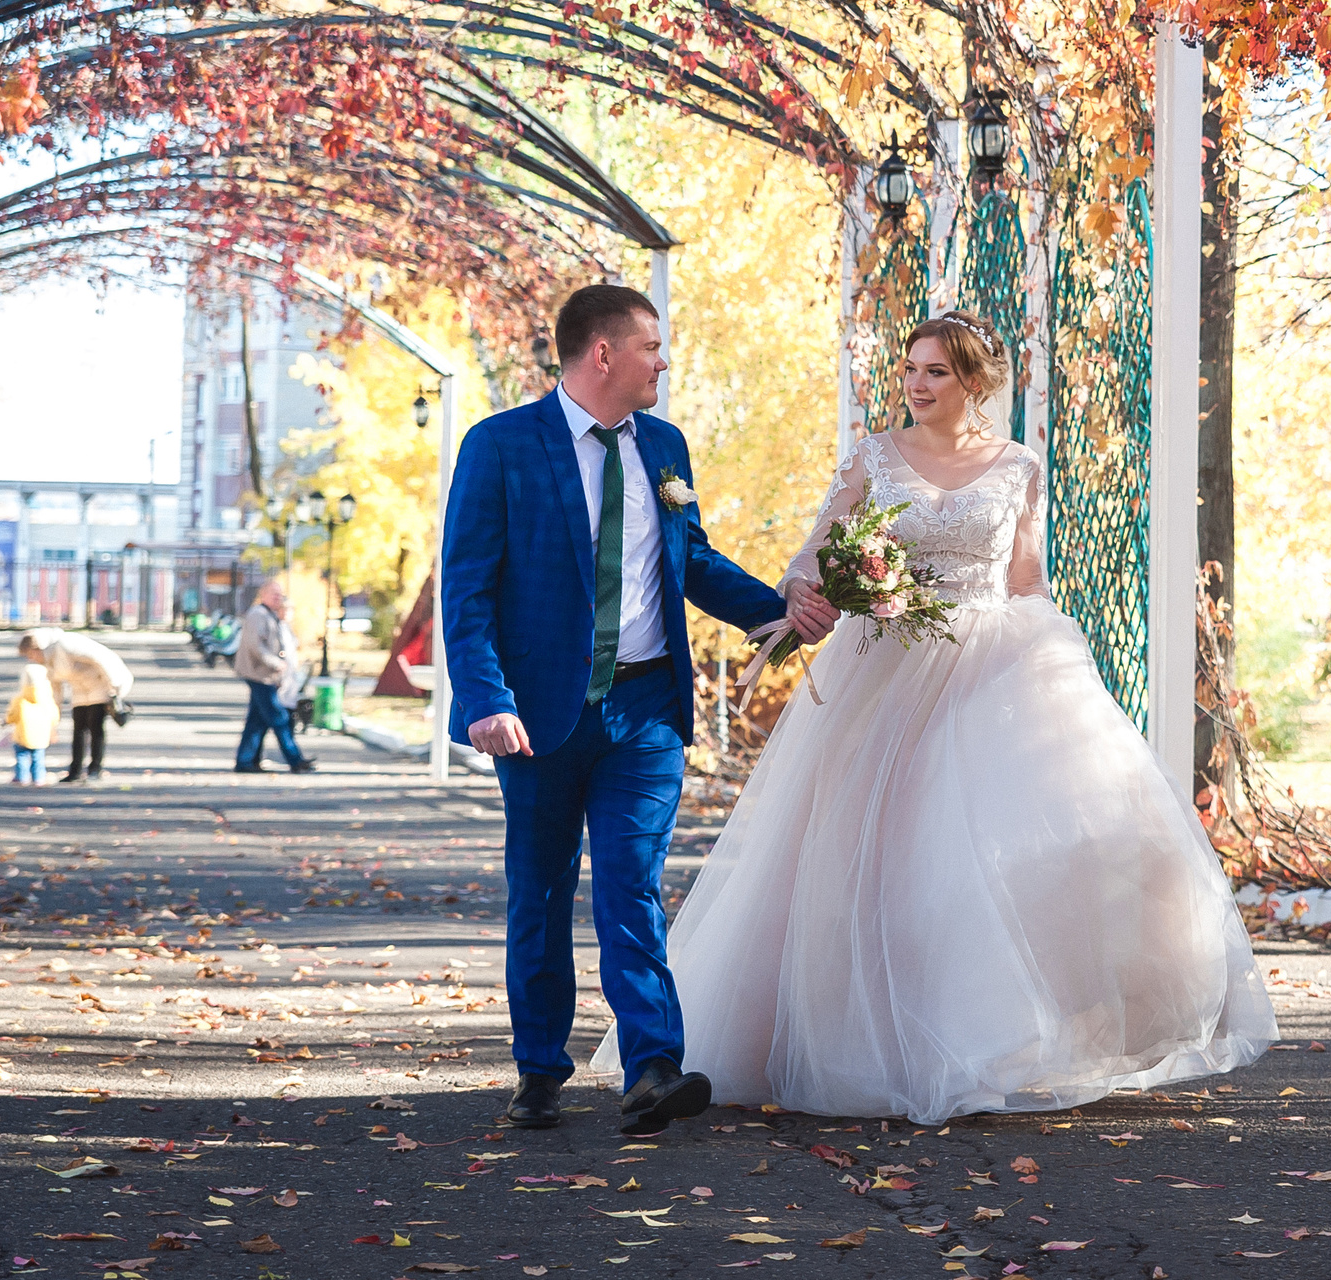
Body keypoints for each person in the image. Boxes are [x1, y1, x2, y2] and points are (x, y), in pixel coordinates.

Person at [592, 308, 1275, 1122]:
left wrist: (1047, 660)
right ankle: (864, 1037)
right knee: (877, 851)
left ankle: (989, 1039)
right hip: (887, 665)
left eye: (936, 373)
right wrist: (823, 585)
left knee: (975, 858)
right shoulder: (877, 457)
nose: (917, 385)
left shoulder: (1019, 466)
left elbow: (1025, 581)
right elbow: (816, 550)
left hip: (994, 669)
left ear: (973, 383)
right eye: (911, 370)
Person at [442, 283, 838, 1137]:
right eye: (653, 348)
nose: (665, 362)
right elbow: (467, 589)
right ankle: (540, 1070)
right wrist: (483, 699)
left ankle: (653, 1065)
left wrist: (778, 612)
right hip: (538, 718)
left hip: (647, 707)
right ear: (603, 354)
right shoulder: (499, 446)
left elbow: (691, 559)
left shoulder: (663, 445)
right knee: (540, 894)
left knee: (633, 884)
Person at [17, 627, 135, 784]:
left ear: (37, 648)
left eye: (31, 654)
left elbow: (100, 658)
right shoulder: (48, 662)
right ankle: (75, 771)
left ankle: (95, 769)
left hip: (100, 684)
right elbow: (55, 688)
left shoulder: (66, 643)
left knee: (95, 726)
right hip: (80, 690)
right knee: (78, 729)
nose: (31, 659)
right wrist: (54, 713)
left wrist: (115, 688)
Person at [232, 578, 314, 774]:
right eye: (274, 594)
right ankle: (295, 759)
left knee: (257, 721)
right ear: (263, 595)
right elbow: (255, 646)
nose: (278, 598)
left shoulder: (270, 615)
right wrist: (276, 663)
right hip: (260, 675)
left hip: (266, 676)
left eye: (280, 594)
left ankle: (246, 761)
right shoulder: (258, 614)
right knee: (279, 719)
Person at [4, 658, 58, 786]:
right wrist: (53, 728)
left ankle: (21, 777)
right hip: (41, 735)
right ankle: (39, 778)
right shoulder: (47, 699)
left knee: (22, 757)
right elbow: (54, 716)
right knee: (38, 758)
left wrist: (7, 720)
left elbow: (13, 715)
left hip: (23, 734)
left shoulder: (20, 699)